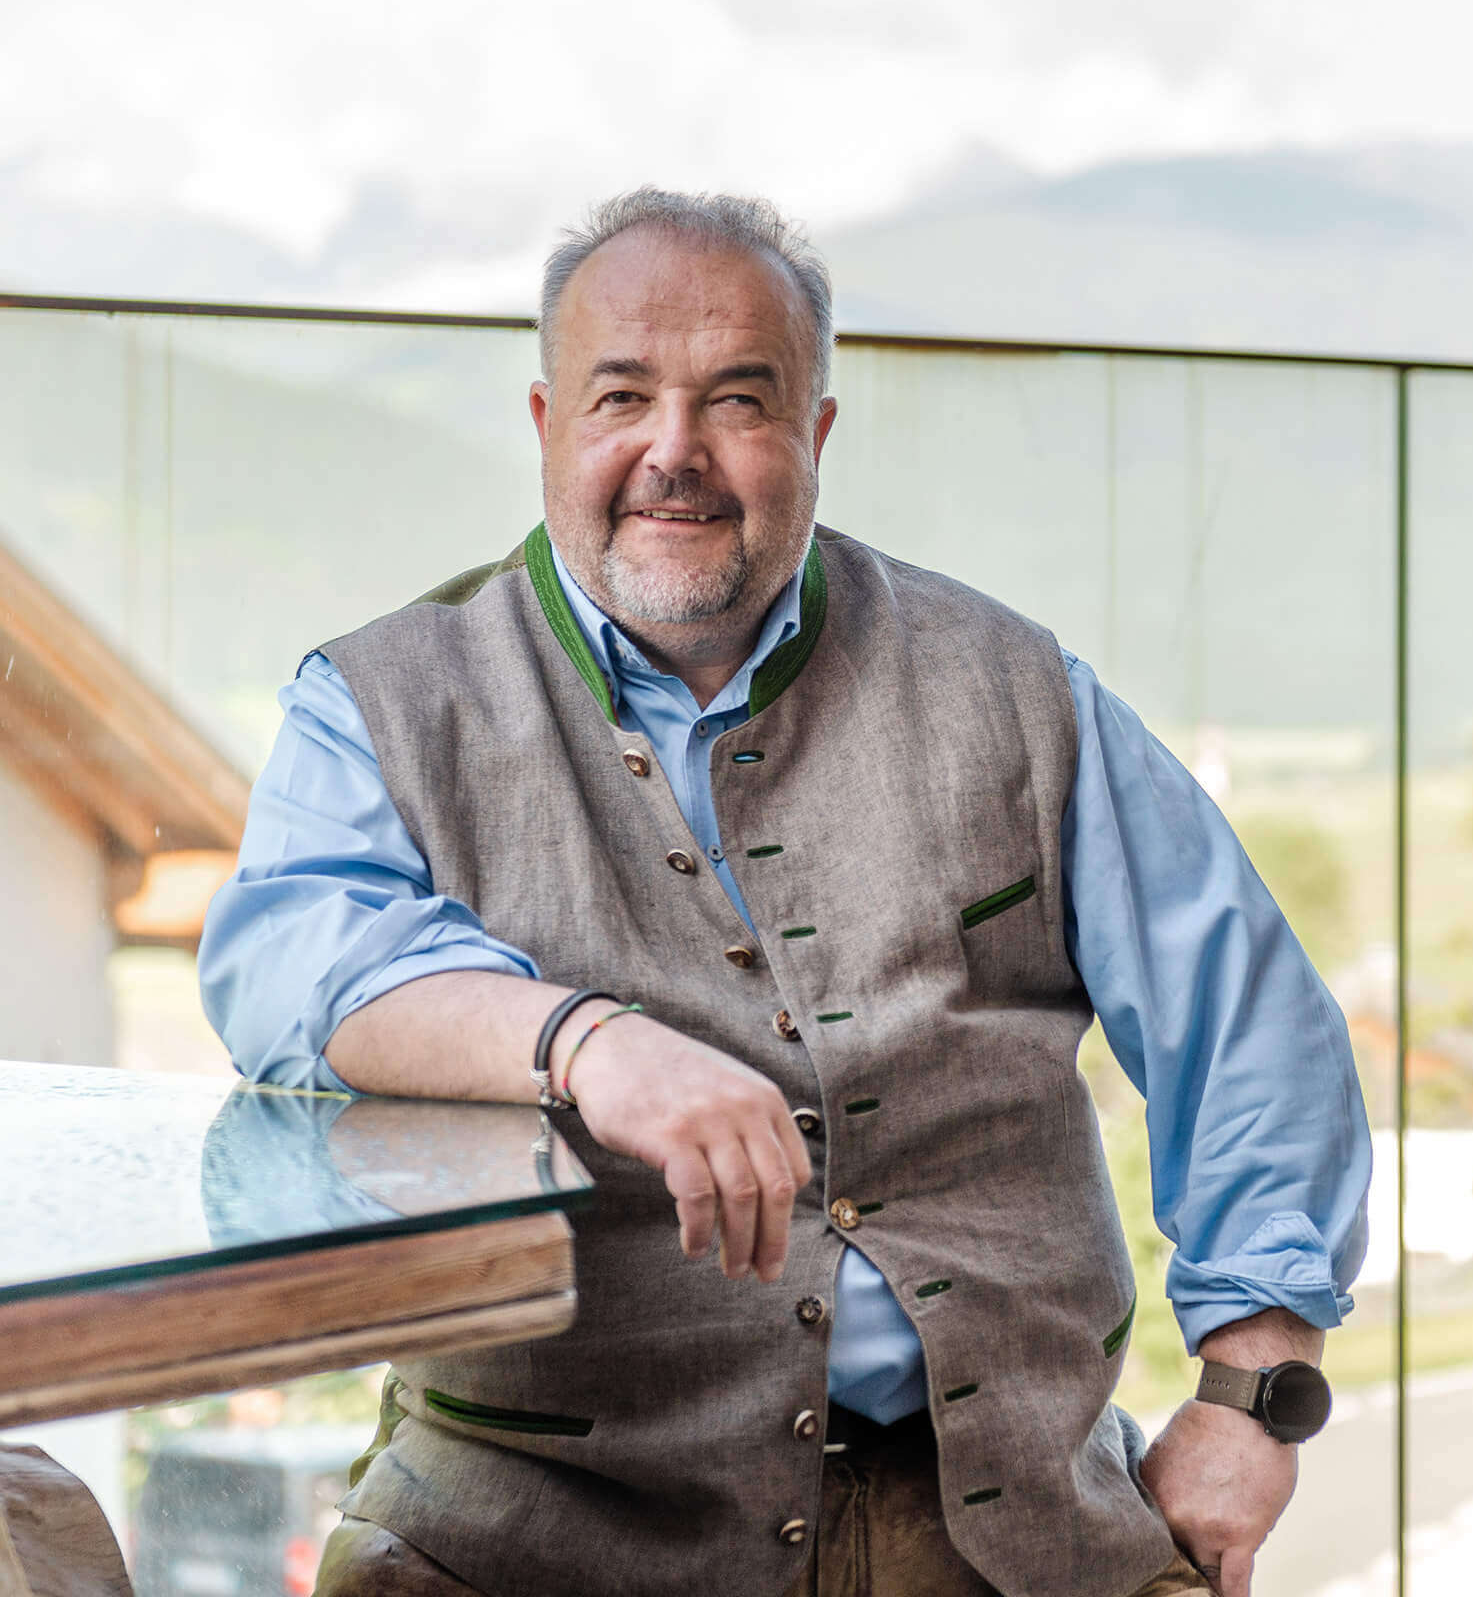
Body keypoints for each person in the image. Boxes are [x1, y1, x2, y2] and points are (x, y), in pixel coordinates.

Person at [200, 190, 1371, 1597]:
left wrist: (1253, 1396)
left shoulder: (1011, 686)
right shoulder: (382, 701)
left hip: (1016, 1532)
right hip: (538, 1539)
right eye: (622, 396)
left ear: (814, 436)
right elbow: (299, 967)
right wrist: (590, 1043)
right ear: (546, 425)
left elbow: (1244, 1020)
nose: (673, 454)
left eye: (738, 402)